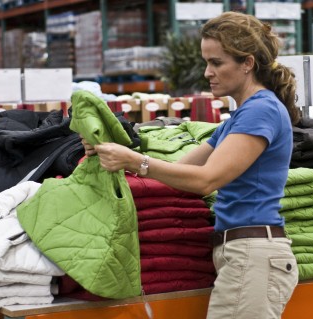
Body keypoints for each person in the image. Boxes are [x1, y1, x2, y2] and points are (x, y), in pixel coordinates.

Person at [81, 11, 300, 319]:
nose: (208, 72)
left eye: (217, 62)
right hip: (244, 254)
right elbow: (178, 169)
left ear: (247, 63)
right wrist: (110, 150)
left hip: (253, 255)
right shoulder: (239, 117)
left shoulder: (260, 111)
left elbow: (205, 180)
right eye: (206, 62)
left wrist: (134, 160)